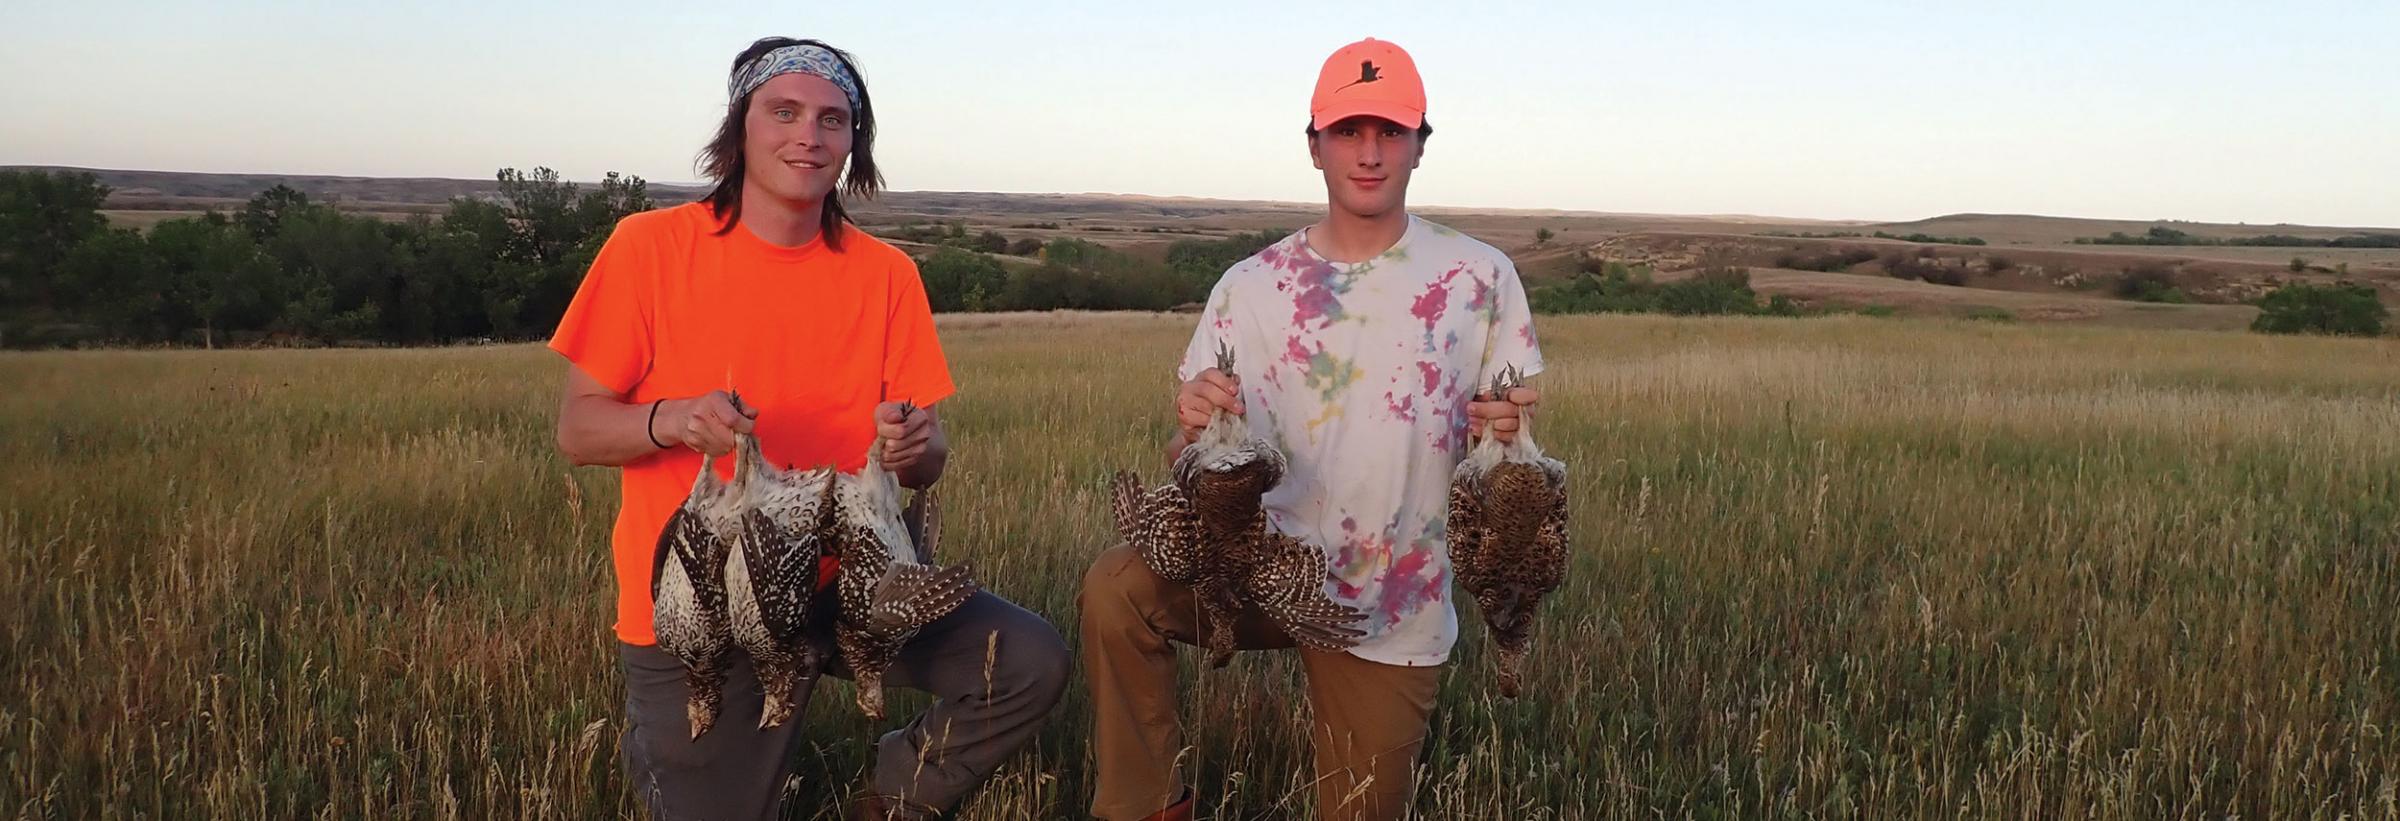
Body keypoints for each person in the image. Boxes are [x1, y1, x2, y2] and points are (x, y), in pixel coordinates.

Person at [549, 36, 1069, 821]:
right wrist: (676, 419)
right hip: (707, 601)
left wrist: (915, 446)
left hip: (850, 585)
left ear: (853, 142)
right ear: (741, 127)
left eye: (834, 119)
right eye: (783, 112)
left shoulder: (887, 275)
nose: (808, 135)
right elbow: (579, 431)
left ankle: (895, 794)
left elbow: (929, 458)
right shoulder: (649, 249)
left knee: (1026, 659)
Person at [1079, 37, 1547, 821]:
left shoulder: (1480, 279)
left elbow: (1512, 469)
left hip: (1388, 600)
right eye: (1348, 131)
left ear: (1420, 146)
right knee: (1114, 589)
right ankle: (1147, 804)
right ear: (1314, 145)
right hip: (1259, 569)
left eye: (1390, 132)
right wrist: (1194, 432)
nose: (1369, 153)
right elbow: (1187, 464)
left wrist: (1502, 440)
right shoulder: (1249, 288)